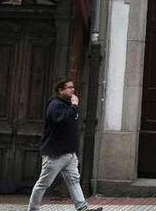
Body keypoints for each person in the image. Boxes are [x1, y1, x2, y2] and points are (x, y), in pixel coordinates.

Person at [28, 79, 102, 211]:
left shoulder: (67, 105)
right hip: (55, 154)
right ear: (60, 90)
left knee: (74, 181)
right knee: (43, 183)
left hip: (69, 154)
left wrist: (73, 107)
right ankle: (33, 209)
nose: (72, 90)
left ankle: (82, 208)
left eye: (73, 87)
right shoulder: (55, 105)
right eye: (69, 88)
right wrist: (74, 106)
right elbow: (61, 119)